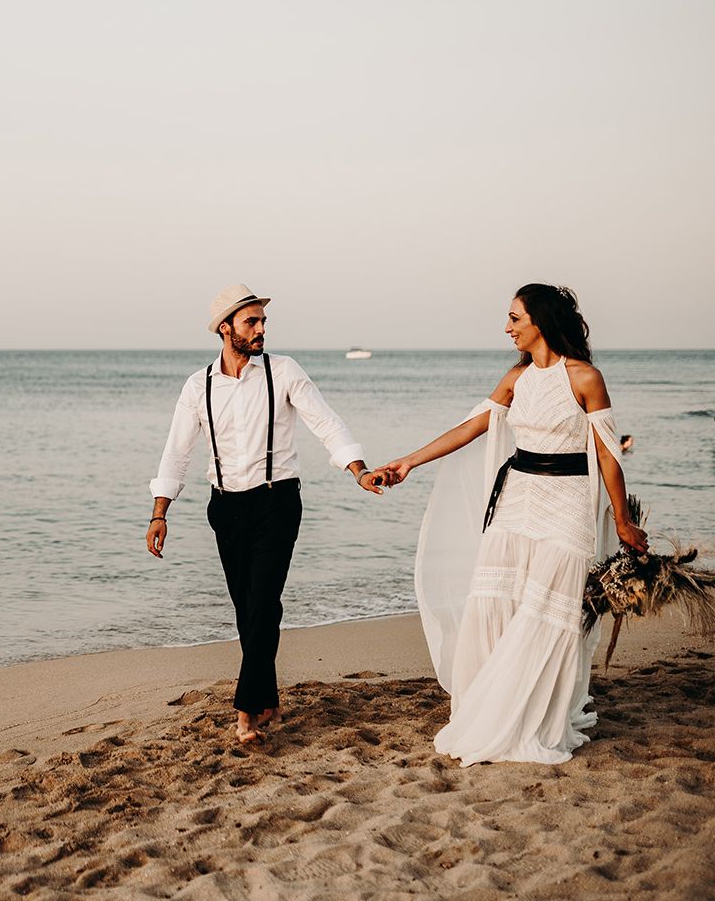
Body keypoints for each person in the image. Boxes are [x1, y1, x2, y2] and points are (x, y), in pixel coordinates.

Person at [375, 284, 648, 766]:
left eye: (514, 318)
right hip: (516, 500)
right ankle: (491, 710)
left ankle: (533, 719)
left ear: (539, 321)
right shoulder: (516, 378)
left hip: (567, 506)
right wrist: (409, 461)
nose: (507, 327)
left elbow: (608, 455)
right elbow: (472, 426)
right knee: (496, 605)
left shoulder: (585, 378)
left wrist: (623, 521)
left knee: (550, 614)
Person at [147, 284, 384, 744]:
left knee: (261, 605)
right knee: (249, 611)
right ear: (225, 328)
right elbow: (176, 451)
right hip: (226, 507)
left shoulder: (284, 371)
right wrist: (161, 512)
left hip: (277, 502)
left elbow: (325, 421)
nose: (260, 330)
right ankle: (268, 696)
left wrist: (357, 469)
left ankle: (245, 710)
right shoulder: (199, 385)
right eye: (250, 322)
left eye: (262, 322)